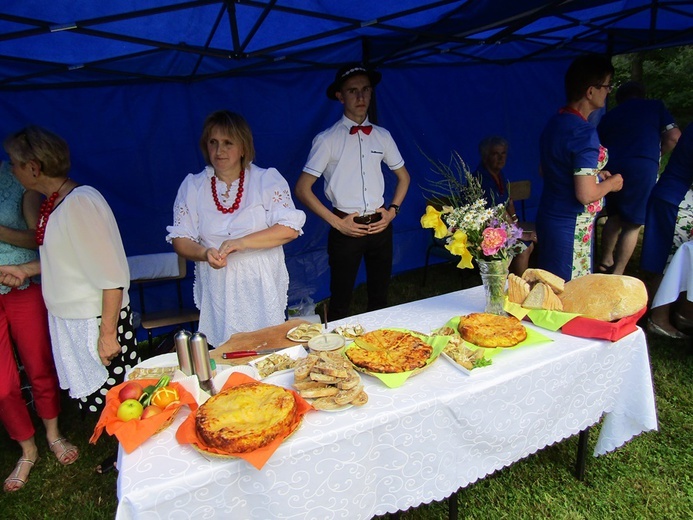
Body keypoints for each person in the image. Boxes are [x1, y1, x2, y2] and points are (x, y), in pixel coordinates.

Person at [1, 126, 138, 473]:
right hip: (77, 322)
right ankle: (128, 457)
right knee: (106, 403)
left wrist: (108, 334)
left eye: (15, 164)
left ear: (34, 167)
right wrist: (28, 270)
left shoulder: (81, 204)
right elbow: (69, 259)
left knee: (122, 400)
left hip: (97, 321)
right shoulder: (56, 203)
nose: (11, 169)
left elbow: (111, 277)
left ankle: (136, 459)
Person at [166, 110, 305, 348]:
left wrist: (241, 242)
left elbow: (289, 228)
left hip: (260, 282)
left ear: (243, 147)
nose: (219, 151)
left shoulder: (266, 179)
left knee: (268, 350)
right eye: (213, 143)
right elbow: (180, 238)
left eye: (228, 143)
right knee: (225, 352)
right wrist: (204, 253)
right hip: (220, 285)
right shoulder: (193, 185)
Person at [295, 64, 411, 321]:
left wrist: (392, 212)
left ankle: (379, 348)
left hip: (381, 227)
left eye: (365, 90)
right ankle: (335, 352)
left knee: (380, 296)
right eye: (352, 91)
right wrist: (337, 223)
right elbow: (303, 189)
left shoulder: (382, 136)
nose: (360, 97)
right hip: (346, 227)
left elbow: (404, 177)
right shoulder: (327, 140)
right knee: (341, 299)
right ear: (340, 96)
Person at [0, 160, 78, 492]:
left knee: (38, 363)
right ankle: (26, 448)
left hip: (22, 284)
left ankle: (52, 433)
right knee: (2, 384)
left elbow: (39, 238)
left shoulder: (14, 176)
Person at [536, 55, 624, 281]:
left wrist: (593, 173)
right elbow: (585, 194)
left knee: (552, 289)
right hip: (571, 226)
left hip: (551, 216)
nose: (608, 91)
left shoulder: (556, 122)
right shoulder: (583, 133)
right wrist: (611, 183)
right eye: (606, 85)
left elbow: (546, 170)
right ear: (591, 90)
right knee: (570, 292)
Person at [596, 81, 680, 275]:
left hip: (613, 167)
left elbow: (597, 146)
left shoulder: (609, 115)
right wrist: (657, 154)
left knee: (614, 216)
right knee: (633, 224)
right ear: (642, 94)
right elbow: (674, 136)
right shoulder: (655, 107)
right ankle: (617, 272)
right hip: (643, 165)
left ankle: (605, 261)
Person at [640, 124, 693, 338]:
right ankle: (658, 318)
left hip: (673, 197)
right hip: (677, 201)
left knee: (674, 260)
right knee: (670, 262)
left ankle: (680, 312)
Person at [475, 136, 536, 276]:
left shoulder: (498, 174)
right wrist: (518, 233)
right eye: (495, 154)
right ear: (485, 157)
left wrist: (515, 223)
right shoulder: (482, 178)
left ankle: (515, 280)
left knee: (530, 242)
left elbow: (509, 202)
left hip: (501, 226)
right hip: (486, 231)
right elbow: (497, 209)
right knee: (524, 247)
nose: (501, 158)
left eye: (503, 153)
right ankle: (521, 285)